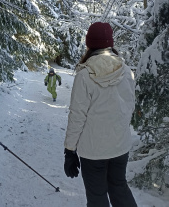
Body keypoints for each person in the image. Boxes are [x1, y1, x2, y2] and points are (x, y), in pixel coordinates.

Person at [63, 22, 137, 207]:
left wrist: (70, 150)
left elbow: (77, 116)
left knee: (97, 197)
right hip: (120, 146)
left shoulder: (85, 75)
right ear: (110, 44)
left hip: (93, 151)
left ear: (89, 44)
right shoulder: (126, 71)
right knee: (120, 188)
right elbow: (129, 107)